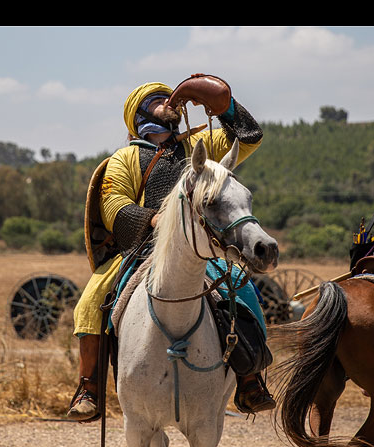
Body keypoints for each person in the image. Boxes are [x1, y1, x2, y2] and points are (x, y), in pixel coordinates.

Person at [67, 78, 275, 422]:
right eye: (157, 99)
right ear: (139, 112)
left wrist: (227, 107)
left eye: (171, 97)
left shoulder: (200, 145)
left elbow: (248, 139)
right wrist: (151, 220)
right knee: (89, 302)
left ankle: (250, 379)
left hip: (197, 246)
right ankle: (88, 388)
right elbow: (113, 203)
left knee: (241, 285)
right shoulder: (126, 158)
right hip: (142, 249)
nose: (169, 102)